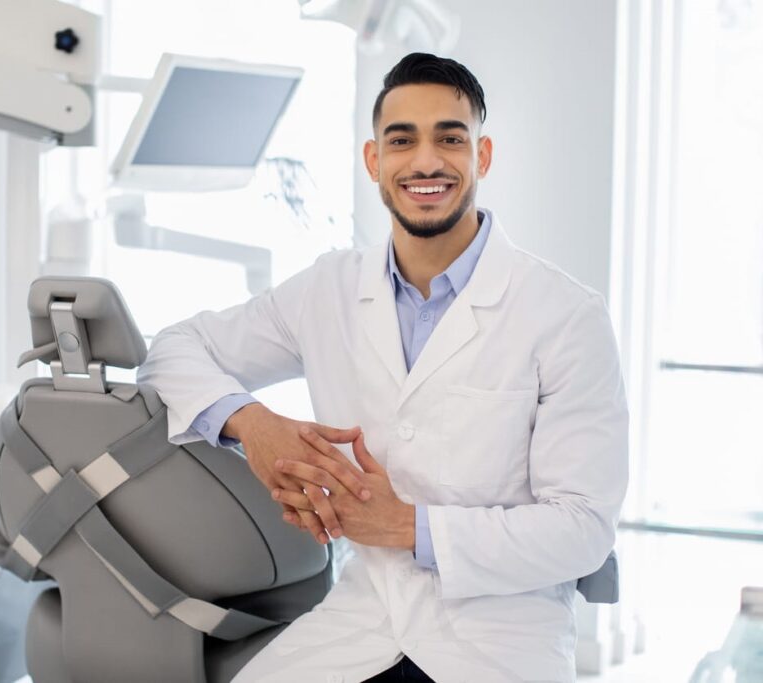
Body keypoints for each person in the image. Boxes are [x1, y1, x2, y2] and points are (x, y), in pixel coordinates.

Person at [136, 52, 628, 683]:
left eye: (450, 138)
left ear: (482, 156)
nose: (426, 162)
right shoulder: (329, 288)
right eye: (403, 141)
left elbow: (582, 529)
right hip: (361, 621)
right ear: (375, 161)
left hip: (500, 640)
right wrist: (253, 426)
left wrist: (407, 527)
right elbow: (173, 350)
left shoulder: (565, 315)